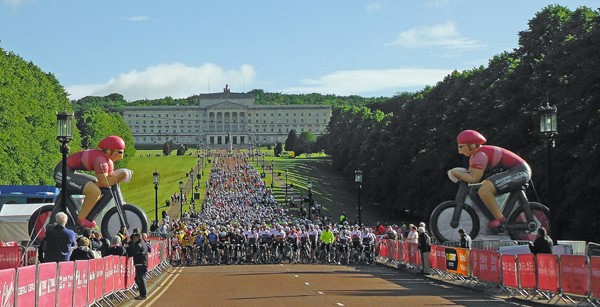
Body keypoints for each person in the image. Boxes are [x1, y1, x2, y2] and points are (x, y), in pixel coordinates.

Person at [450, 130, 531, 229]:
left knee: (485, 190)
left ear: (471, 145)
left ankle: (501, 219)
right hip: (516, 170)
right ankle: (496, 216)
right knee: (484, 186)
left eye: (461, 147)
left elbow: (474, 179)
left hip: (520, 171)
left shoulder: (480, 156)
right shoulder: (475, 156)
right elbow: (472, 175)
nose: (459, 151)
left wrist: (455, 173)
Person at [53, 135, 130, 229]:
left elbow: (108, 178)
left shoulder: (108, 162)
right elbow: (105, 182)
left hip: (69, 171)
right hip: (62, 172)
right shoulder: (101, 161)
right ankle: (81, 220)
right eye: (119, 152)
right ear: (109, 151)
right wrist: (120, 176)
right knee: (94, 191)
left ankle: (87, 217)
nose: (121, 156)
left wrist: (119, 176)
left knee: (97, 186)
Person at [127, 229, 148, 300]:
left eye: (135, 236)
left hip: (141, 263)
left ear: (138, 236)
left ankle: (143, 294)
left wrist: (129, 253)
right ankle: (142, 293)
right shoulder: (141, 243)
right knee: (137, 279)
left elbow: (134, 252)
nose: (134, 238)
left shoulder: (140, 244)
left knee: (140, 279)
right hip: (141, 263)